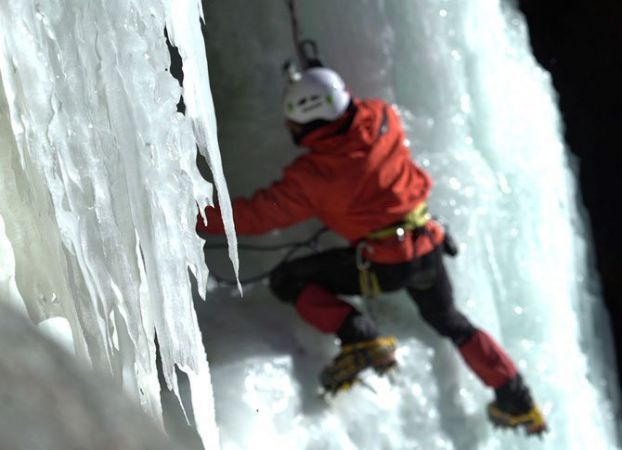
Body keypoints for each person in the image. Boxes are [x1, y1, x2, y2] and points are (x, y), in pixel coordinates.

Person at [196, 65, 547, 435]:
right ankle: (517, 399)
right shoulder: (382, 118)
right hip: (427, 245)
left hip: (384, 264)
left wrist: (194, 218)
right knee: (451, 322)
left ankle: (358, 336)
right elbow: (351, 114)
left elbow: (256, 216)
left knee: (288, 280)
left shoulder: (315, 175)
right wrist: (319, 78)